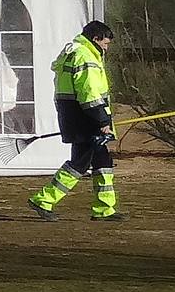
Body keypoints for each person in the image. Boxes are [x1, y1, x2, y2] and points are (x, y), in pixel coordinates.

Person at [31, 21, 122, 222]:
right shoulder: (85, 55)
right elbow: (88, 92)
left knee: (102, 161)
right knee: (81, 162)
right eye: (105, 43)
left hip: (75, 115)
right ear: (96, 39)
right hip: (86, 117)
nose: (106, 48)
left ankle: (104, 208)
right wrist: (103, 120)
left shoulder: (74, 52)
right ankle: (44, 199)